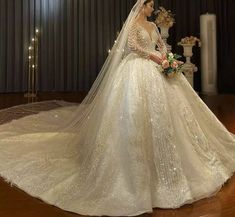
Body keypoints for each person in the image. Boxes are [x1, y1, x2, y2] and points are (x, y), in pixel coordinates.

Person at [0, 0, 235, 216]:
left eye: (152, 5)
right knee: (133, 115)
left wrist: (167, 58)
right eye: (150, 5)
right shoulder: (133, 23)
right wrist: (155, 58)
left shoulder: (153, 25)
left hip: (158, 69)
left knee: (174, 115)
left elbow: (162, 44)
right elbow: (133, 47)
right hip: (138, 69)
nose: (152, 9)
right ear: (141, 5)